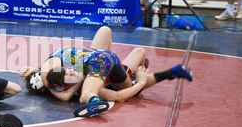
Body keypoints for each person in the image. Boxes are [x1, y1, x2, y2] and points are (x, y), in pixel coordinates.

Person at [19, 27, 193, 117]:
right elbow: (118, 96)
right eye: (70, 75)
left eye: (69, 72)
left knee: (87, 94)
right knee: (137, 60)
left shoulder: (61, 78)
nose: (72, 72)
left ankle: (95, 101)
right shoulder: (59, 64)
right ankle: (173, 71)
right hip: (105, 60)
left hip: (100, 62)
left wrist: (139, 83)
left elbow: (118, 97)